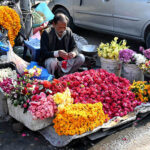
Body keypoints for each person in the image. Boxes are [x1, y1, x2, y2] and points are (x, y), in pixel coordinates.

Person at [39, 13, 85, 77]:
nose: (62, 30)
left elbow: (74, 47)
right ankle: (52, 77)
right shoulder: (46, 33)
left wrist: (73, 53)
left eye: (64, 27)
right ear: (54, 24)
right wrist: (57, 53)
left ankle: (66, 75)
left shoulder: (68, 31)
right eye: (60, 27)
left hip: (65, 61)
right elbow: (43, 53)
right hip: (53, 61)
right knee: (52, 62)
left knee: (81, 58)